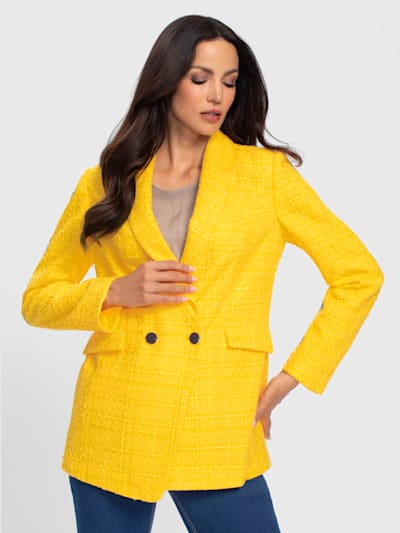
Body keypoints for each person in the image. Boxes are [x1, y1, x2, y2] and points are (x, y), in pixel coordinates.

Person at [21, 14, 384, 533]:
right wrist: (115, 290)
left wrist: (291, 378)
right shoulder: (105, 181)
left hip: (219, 410)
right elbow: (37, 299)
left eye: (229, 82)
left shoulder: (265, 177)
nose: (217, 96)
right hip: (116, 417)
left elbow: (359, 275)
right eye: (200, 78)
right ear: (166, 81)